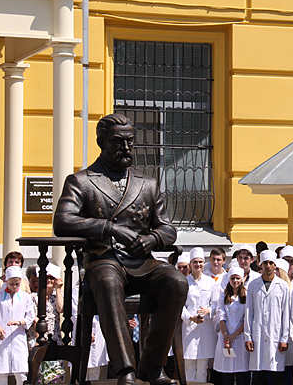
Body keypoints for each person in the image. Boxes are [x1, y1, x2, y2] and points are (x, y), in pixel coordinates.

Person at [53, 113, 188, 385]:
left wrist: (152, 240)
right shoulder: (81, 181)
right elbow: (62, 220)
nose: (126, 148)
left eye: (130, 142)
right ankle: (126, 369)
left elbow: (167, 228)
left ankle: (151, 366)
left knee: (176, 281)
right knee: (106, 281)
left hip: (142, 262)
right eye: (118, 142)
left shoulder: (147, 183)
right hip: (104, 258)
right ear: (101, 141)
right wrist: (109, 228)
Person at [244, 250, 290, 385]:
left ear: (275, 265)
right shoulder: (253, 285)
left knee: (276, 377)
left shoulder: (282, 286)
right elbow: (249, 312)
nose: (268, 266)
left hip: (276, 336)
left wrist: (284, 338)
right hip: (257, 335)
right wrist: (248, 336)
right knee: (258, 377)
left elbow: (285, 313)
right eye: (265, 263)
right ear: (260, 264)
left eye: (271, 263)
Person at [0, 266, 35, 385]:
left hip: (18, 337)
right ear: (6, 282)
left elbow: (30, 316)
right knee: (1, 373)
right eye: (11, 283)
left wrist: (19, 322)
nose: (14, 287)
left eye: (17, 284)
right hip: (1, 338)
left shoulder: (25, 297)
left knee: (20, 373)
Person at [181, 247, 217, 383]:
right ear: (190, 264)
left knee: (203, 368)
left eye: (200, 262)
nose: (198, 265)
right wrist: (190, 317)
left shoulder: (210, 282)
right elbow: (180, 306)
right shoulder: (184, 282)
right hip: (189, 328)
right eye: (195, 262)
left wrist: (208, 311)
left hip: (205, 328)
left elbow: (215, 303)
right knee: (189, 367)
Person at [214, 267, 250, 385]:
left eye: (237, 278)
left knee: (242, 374)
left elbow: (248, 318)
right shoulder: (223, 297)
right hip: (226, 338)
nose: (235, 281)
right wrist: (226, 336)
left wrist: (234, 335)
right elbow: (221, 316)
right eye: (233, 278)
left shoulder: (247, 296)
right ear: (229, 279)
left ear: (242, 280)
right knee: (227, 374)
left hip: (240, 338)